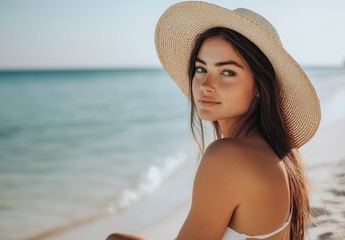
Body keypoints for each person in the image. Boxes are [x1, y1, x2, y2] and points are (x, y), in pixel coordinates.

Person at [107, 1, 320, 240]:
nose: (206, 85)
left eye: (227, 72)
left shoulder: (226, 156)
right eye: (201, 69)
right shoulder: (278, 153)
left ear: (260, 86)